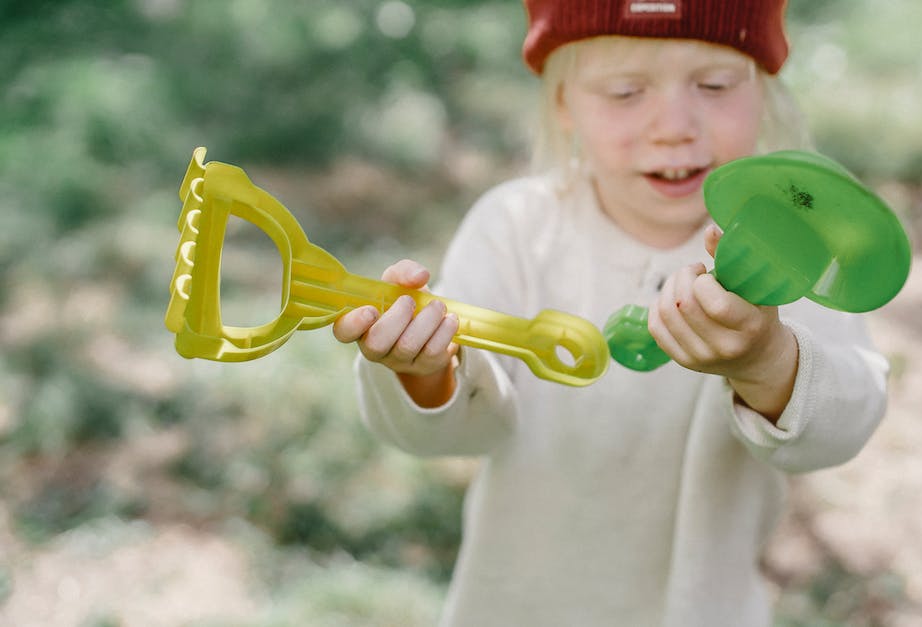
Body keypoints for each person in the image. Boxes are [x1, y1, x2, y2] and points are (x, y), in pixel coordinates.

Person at [333, 1, 890, 625]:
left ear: (764, 89)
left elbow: (847, 420)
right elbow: (458, 429)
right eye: (626, 92)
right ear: (564, 102)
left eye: (714, 85)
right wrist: (422, 370)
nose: (675, 125)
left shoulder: (789, 250)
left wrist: (767, 361)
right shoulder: (517, 230)